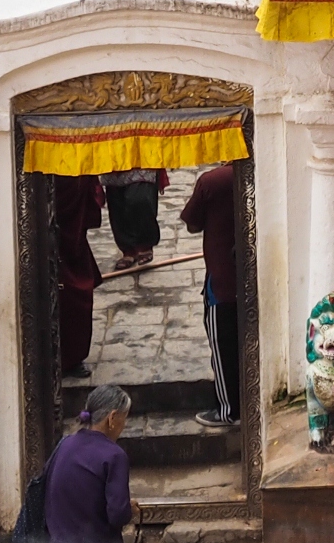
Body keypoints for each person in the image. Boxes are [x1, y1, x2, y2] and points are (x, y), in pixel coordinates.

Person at [44, 382, 138, 543]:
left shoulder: (65, 444)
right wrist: (129, 509)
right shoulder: (114, 456)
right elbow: (117, 515)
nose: (124, 425)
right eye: (124, 418)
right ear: (112, 418)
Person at [179, 159, 240, 427]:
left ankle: (229, 411)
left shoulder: (213, 181)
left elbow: (192, 223)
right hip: (258, 278)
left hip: (223, 279)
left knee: (223, 347)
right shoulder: (263, 172)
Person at [55, 176, 106, 379]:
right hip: (51, 244)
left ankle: (70, 359)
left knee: (74, 300)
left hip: (70, 244)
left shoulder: (78, 173)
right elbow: (94, 210)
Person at [101, 166, 167, 270]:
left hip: (141, 158)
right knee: (117, 202)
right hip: (114, 159)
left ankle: (145, 243)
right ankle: (128, 249)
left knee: (139, 199)